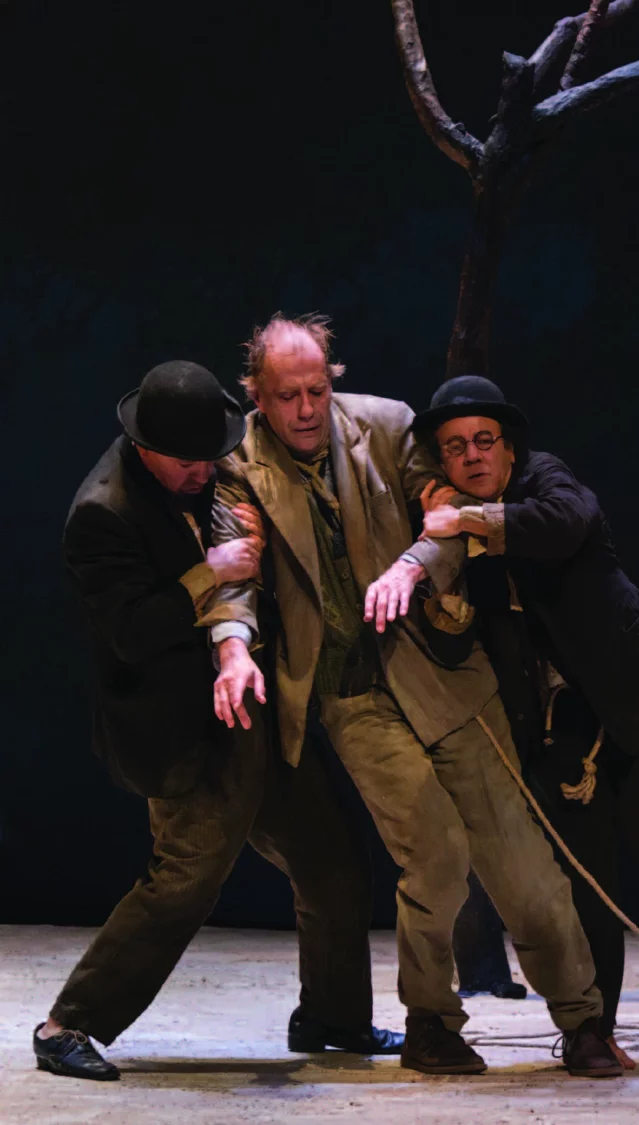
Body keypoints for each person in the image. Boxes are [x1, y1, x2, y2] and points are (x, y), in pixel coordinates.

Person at [205, 315, 621, 1077]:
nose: (306, 408)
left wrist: (411, 565)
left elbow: (445, 515)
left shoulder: (388, 425)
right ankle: (431, 1019)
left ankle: (582, 1019)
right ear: (257, 395)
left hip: (441, 670)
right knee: (434, 853)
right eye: (288, 395)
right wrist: (232, 649)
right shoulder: (238, 466)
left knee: (524, 866)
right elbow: (234, 573)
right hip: (350, 692)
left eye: (317, 389)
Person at [35, 361, 398, 1082]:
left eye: (211, 456)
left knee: (332, 857)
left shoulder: (208, 470)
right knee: (185, 879)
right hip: (181, 726)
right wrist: (212, 571)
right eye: (187, 462)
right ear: (145, 447)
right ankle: (66, 1024)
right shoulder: (103, 513)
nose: (204, 472)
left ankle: (333, 1015)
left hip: (252, 702)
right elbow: (134, 632)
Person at [415, 374, 639, 1075]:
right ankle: (596, 1026)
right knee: (585, 882)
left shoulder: (544, 481)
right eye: (455, 447)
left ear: (509, 446)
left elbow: (564, 522)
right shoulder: (453, 536)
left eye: (484, 439)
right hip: (562, 727)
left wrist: (469, 521)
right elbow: (455, 638)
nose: (473, 455)